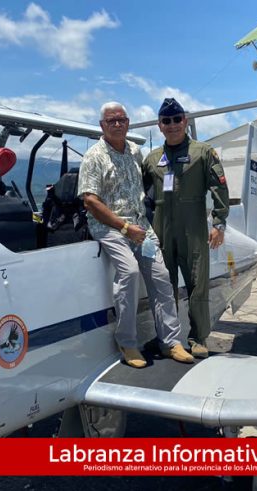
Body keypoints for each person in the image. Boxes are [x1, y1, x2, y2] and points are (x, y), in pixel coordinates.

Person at [78, 102, 194, 368]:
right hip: (109, 227)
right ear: (102, 126)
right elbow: (90, 202)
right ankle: (127, 342)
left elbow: (150, 188)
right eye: (111, 121)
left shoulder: (135, 152)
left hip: (141, 227)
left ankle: (171, 342)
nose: (117, 124)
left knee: (162, 278)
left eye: (121, 120)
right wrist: (124, 227)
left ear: (128, 123)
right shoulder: (94, 156)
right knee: (129, 273)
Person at [141, 98, 230, 359]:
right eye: (166, 121)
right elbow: (141, 195)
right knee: (163, 286)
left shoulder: (203, 152)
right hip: (161, 228)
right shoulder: (152, 159)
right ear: (159, 125)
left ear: (185, 121)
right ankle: (167, 340)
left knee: (197, 283)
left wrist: (219, 223)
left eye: (177, 119)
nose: (172, 125)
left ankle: (199, 337)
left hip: (193, 226)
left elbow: (219, 188)